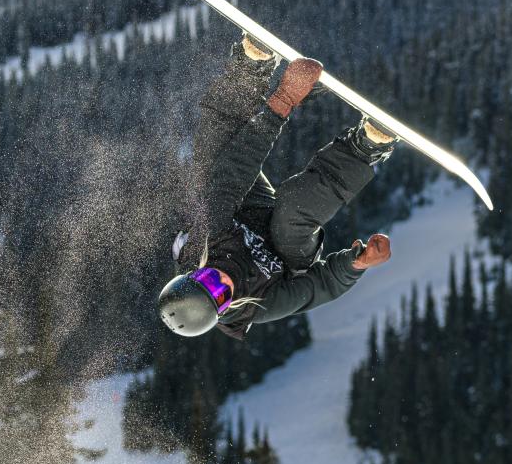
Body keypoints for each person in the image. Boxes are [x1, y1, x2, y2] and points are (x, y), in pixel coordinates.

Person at [156, 38, 397, 338]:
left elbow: (234, 171)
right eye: (221, 295)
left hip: (246, 208)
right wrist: (356, 264)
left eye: (206, 278)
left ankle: (248, 73)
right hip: (287, 248)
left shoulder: (202, 241)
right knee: (291, 214)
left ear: (193, 272)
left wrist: (282, 102)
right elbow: (318, 288)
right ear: (224, 308)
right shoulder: (258, 304)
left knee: (211, 162)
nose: (221, 280)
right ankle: (363, 148)